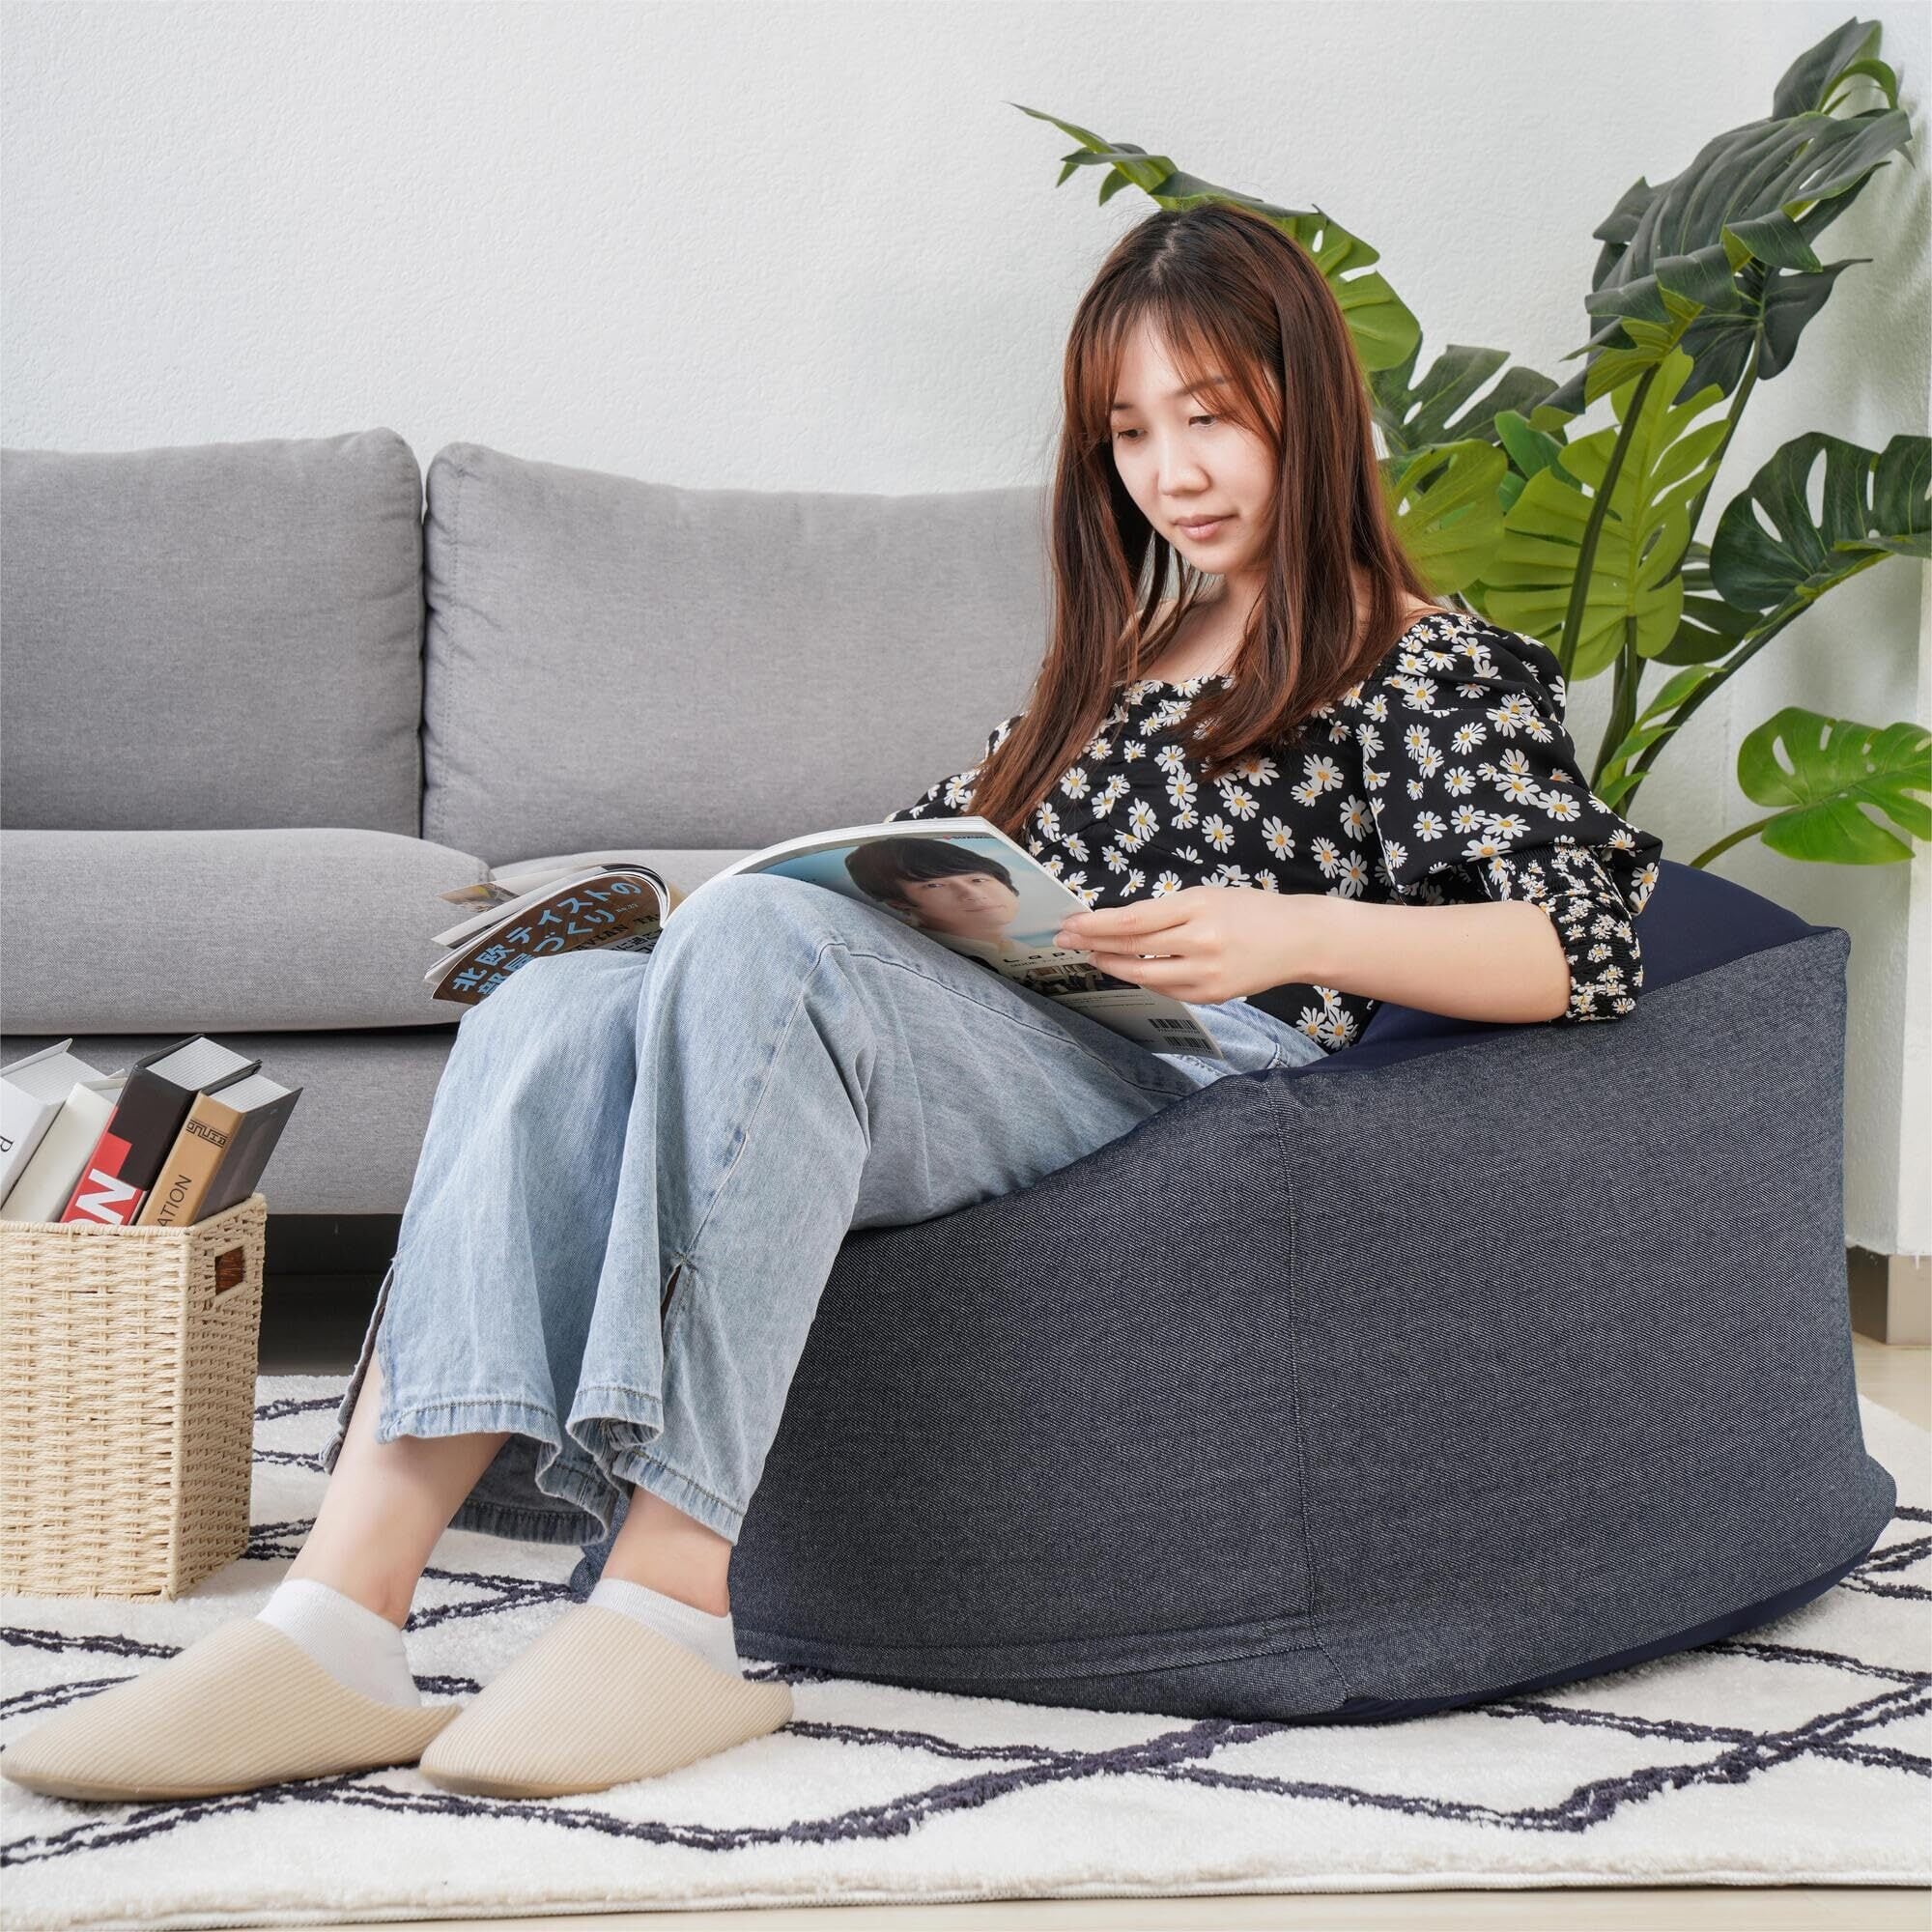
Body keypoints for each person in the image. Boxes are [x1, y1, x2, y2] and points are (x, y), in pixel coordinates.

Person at [2, 202, 1662, 1806]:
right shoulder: (1110, 667)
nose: (1172, 471)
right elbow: (920, 863)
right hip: (1018, 1029)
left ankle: (669, 1607)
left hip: (1203, 1079)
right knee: (561, 998)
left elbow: (1580, 944)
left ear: (1315, 404)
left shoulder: (1422, 660)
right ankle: (340, 1623)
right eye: (1130, 435)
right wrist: (761, 915)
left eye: (1212, 417)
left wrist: (1285, 928)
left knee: (760, 951)